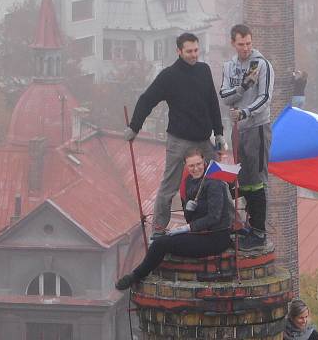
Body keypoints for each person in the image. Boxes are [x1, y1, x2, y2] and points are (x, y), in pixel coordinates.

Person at [125, 32, 224, 238]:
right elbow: (147, 99)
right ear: (179, 51)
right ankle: (159, 231)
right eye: (189, 51)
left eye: (196, 50)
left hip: (204, 140)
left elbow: (213, 103)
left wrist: (220, 133)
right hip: (179, 140)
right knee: (168, 187)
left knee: (218, 180)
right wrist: (134, 127)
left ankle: (228, 224)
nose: (194, 55)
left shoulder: (204, 70)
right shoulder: (169, 76)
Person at [115, 149, 233, 290]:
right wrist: (189, 210)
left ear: (204, 162)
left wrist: (186, 228)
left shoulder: (214, 183)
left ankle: (135, 276)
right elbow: (190, 218)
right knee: (163, 240)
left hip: (216, 237)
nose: (196, 169)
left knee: (160, 244)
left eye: (199, 164)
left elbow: (214, 217)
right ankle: (138, 274)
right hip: (199, 233)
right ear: (185, 165)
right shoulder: (189, 181)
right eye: (191, 166)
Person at [219, 24, 274, 250]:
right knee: (246, 179)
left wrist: (245, 111)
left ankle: (260, 232)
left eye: (248, 43)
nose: (245, 48)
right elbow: (224, 95)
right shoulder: (229, 66)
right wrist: (242, 88)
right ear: (233, 43)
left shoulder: (262, 65)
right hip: (237, 131)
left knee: (257, 177)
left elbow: (265, 98)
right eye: (241, 44)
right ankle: (251, 227)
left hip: (257, 128)